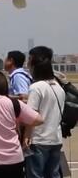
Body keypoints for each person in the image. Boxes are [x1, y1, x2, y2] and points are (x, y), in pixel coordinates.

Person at [24, 46, 65, 178]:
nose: (27, 63)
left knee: (35, 175)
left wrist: (26, 136)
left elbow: (31, 116)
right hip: (55, 139)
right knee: (53, 174)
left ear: (34, 63)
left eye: (29, 59)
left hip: (39, 140)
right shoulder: (58, 87)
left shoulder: (36, 88)